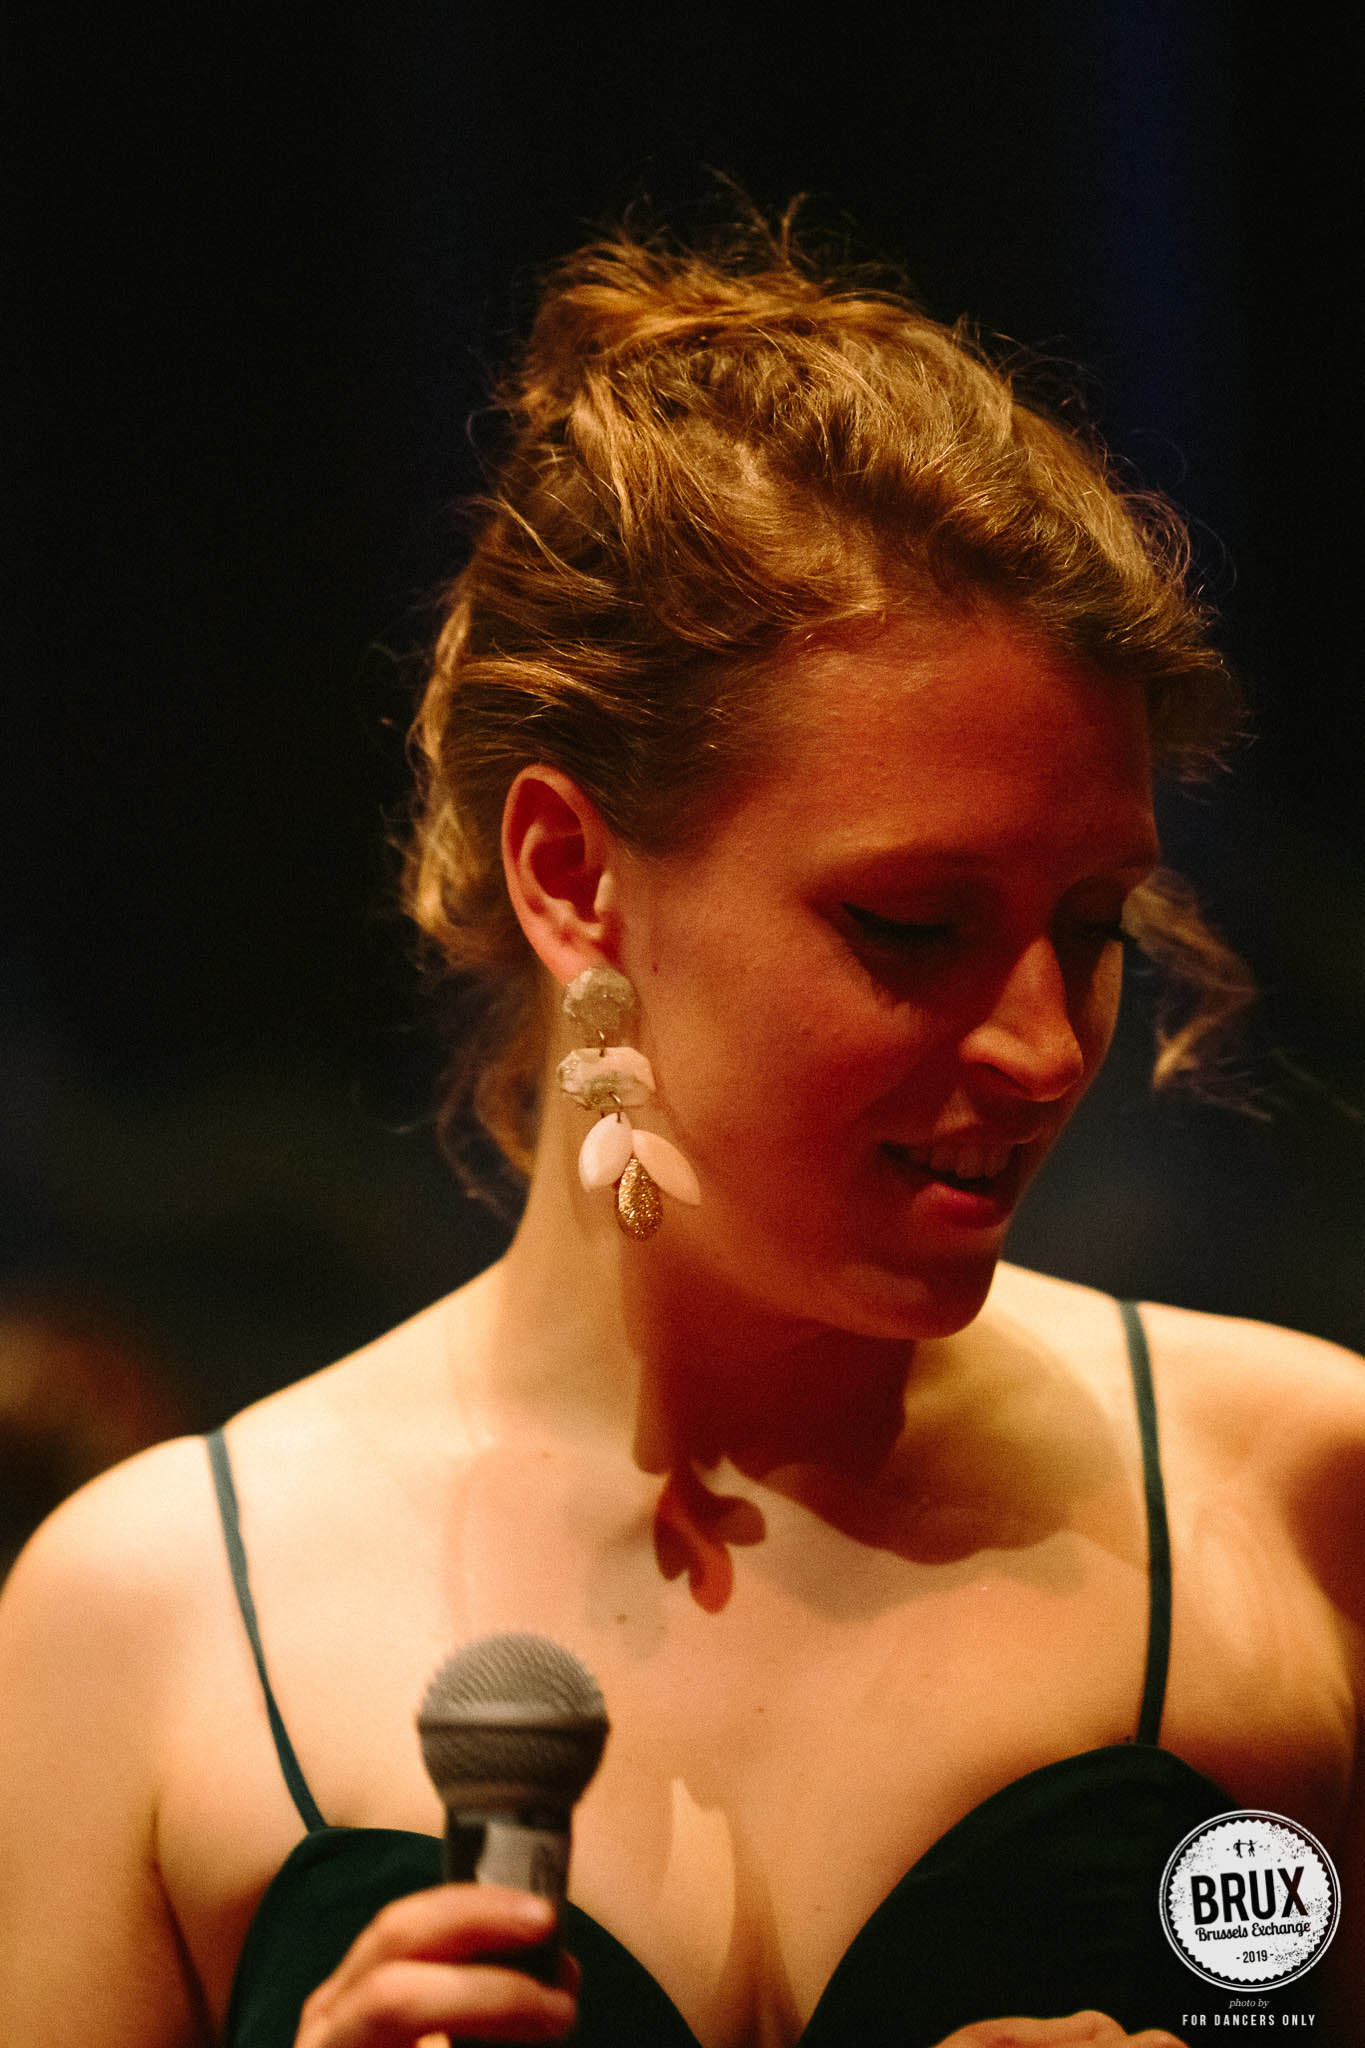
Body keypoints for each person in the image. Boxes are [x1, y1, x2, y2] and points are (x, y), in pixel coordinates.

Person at [1, 215, 1361, 2048]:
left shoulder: (1303, 1497)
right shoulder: (144, 1614)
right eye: (912, 926)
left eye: (1092, 924)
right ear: (573, 876)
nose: (1046, 1048)